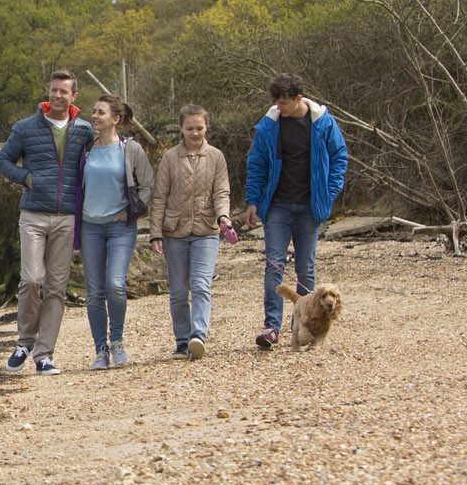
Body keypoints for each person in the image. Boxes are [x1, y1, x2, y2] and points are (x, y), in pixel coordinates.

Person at [0, 70, 94, 375]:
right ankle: (24, 342)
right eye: (54, 90)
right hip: (34, 215)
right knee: (32, 279)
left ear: (74, 96)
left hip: (67, 218)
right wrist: (27, 178)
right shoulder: (25, 128)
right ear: (48, 93)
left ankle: (44, 355)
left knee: (56, 288)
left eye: (64, 91)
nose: (57, 96)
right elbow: (2, 161)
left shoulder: (85, 131)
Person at [242, 73, 349, 350]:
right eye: (277, 103)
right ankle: (271, 327)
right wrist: (253, 201)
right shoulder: (270, 125)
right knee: (274, 263)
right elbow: (257, 164)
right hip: (277, 204)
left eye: (285, 103)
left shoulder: (322, 122)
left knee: (305, 268)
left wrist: (330, 191)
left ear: (299, 99)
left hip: (309, 206)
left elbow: (339, 157)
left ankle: (301, 326)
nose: (280, 108)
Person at [147, 104, 232, 360]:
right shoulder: (170, 158)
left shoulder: (216, 156)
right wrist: (155, 233)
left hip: (207, 229)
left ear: (206, 128)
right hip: (174, 231)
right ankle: (182, 341)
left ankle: (198, 336)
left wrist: (223, 216)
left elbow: (221, 192)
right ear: (181, 129)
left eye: (199, 128)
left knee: (201, 285)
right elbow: (159, 197)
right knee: (179, 290)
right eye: (189, 128)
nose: (195, 133)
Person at [77, 93, 154, 370]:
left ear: (116, 119)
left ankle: (117, 341)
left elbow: (147, 185)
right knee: (95, 291)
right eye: (93, 112)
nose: (94, 116)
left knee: (115, 285)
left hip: (121, 227)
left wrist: (133, 211)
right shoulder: (85, 148)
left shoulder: (130, 149)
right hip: (90, 227)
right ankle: (100, 350)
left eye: (100, 113)